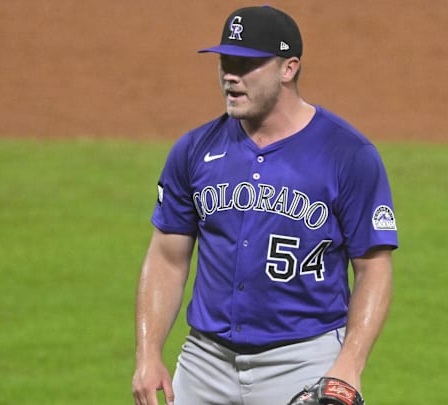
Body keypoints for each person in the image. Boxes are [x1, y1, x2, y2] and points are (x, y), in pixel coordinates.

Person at [132, 5, 398, 405]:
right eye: (225, 62)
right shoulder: (193, 150)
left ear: (288, 68)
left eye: (247, 64)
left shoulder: (348, 155)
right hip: (205, 361)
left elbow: (374, 268)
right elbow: (167, 257)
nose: (229, 76)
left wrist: (349, 365)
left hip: (302, 362)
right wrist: (148, 353)